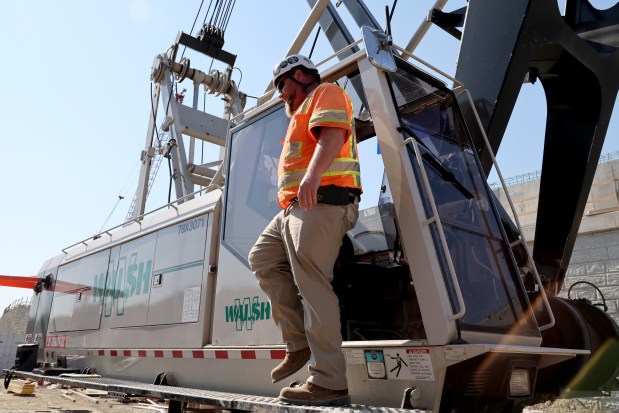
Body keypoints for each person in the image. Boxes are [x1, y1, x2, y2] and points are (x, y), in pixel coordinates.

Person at [248, 54, 362, 406]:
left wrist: (312, 177)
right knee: (262, 258)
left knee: (313, 284)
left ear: (300, 75)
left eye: (282, 84)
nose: (281, 93)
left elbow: (332, 135)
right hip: (295, 208)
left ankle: (329, 381)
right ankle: (298, 343)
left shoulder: (325, 92)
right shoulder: (298, 114)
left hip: (323, 202)